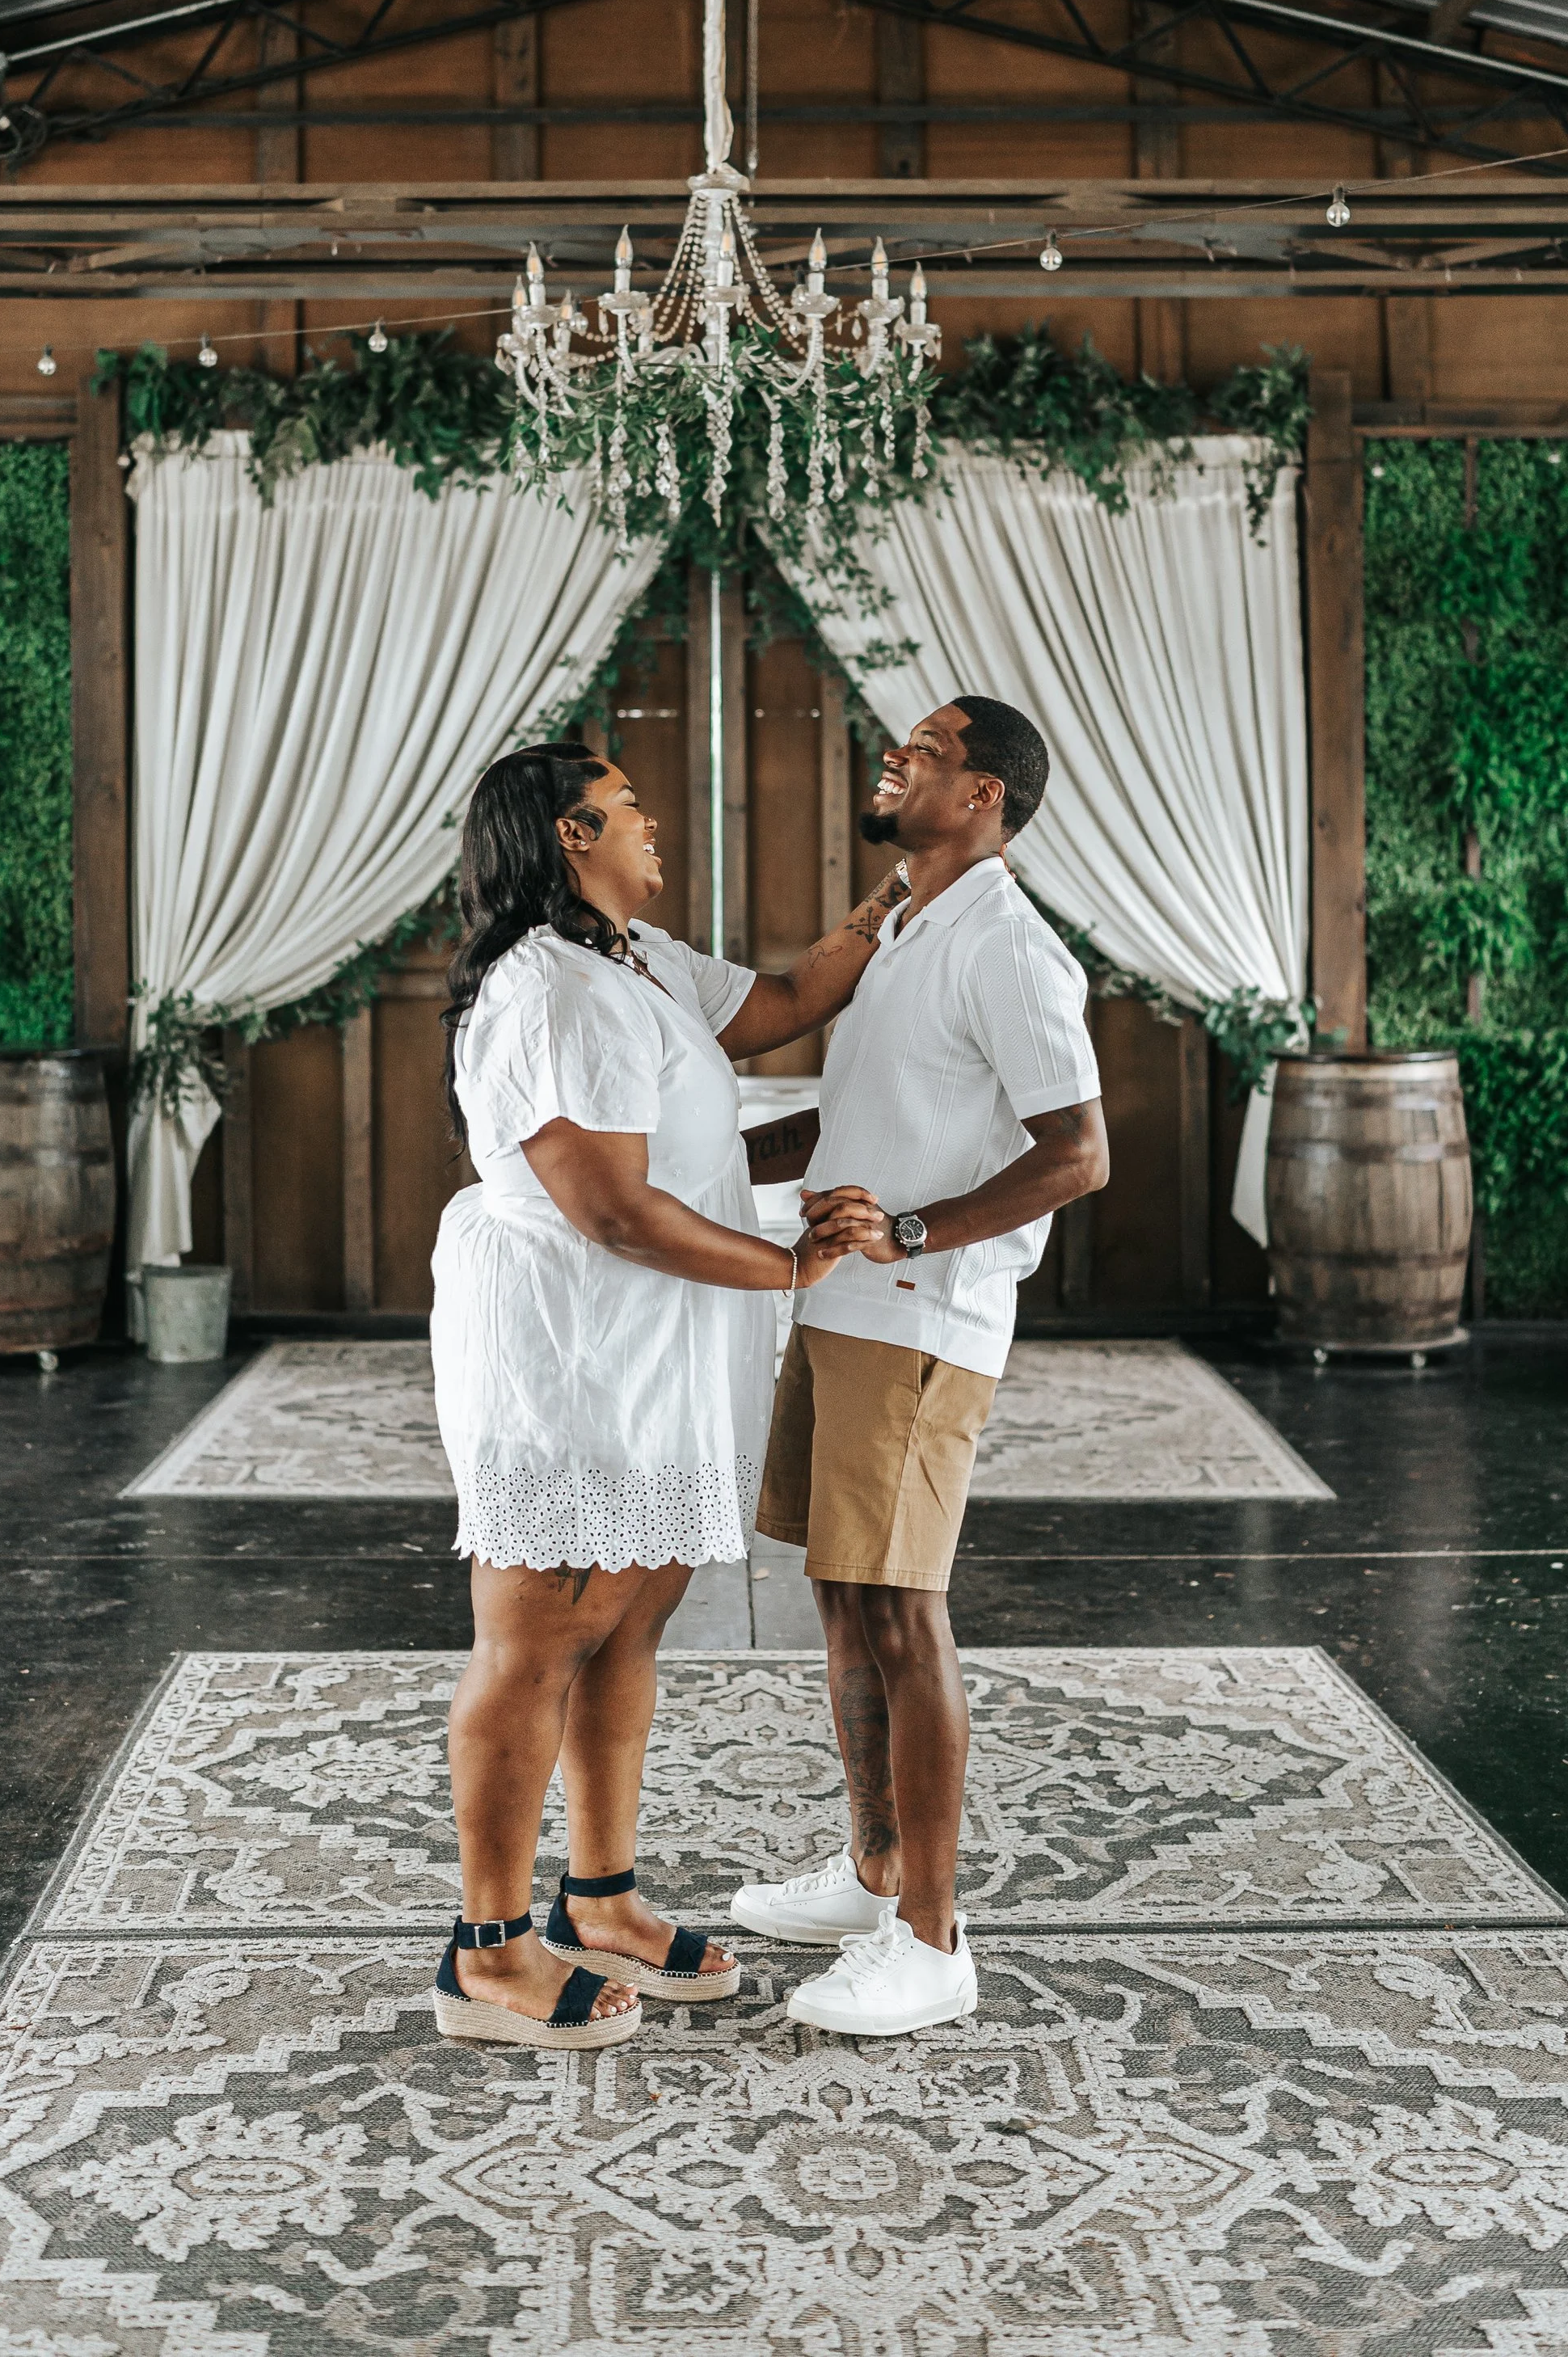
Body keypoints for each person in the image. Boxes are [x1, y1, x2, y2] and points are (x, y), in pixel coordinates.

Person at [428, 738, 898, 2049]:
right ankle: (489, 1947)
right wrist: (782, 1258)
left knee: (632, 1614)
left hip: (652, 1337)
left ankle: (600, 1897)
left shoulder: (639, 960)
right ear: (570, 836)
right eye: (628, 807)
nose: (654, 824)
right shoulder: (546, 990)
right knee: (540, 1631)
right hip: (569, 1337)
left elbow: (795, 995)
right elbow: (615, 1208)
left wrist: (900, 898)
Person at [733, 697, 1110, 2036]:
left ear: (988, 796)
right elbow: (862, 1114)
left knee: (902, 1608)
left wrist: (911, 1227)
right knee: (844, 1596)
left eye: (933, 752)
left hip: (924, 1313)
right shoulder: (903, 925)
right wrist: (717, 1163)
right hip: (846, 1306)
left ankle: (934, 1936)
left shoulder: (1010, 947)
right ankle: (873, 1868)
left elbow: (1078, 1150)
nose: (898, 755)